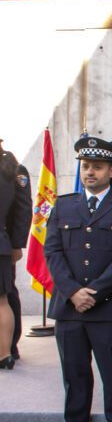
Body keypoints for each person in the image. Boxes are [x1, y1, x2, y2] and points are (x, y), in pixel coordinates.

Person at [42, 137, 112, 422]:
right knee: (75, 376)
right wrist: (72, 291)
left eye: (97, 167)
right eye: (86, 167)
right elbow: (52, 251)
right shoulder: (64, 205)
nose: (90, 173)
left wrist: (96, 292)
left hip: (110, 308)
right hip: (70, 309)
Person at [0, 141, 29, 371]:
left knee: (7, 294)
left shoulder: (15, 168)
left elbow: (22, 209)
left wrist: (17, 244)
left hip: (5, 242)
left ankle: (10, 346)